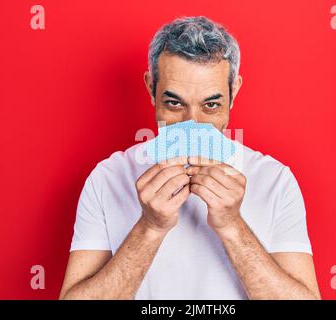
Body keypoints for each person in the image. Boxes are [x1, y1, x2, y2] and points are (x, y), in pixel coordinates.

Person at [59, 16, 320, 300]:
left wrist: (233, 225)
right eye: (174, 103)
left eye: (211, 105)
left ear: (234, 93)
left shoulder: (276, 181)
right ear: (150, 88)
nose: (191, 125)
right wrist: (150, 227)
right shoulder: (107, 178)